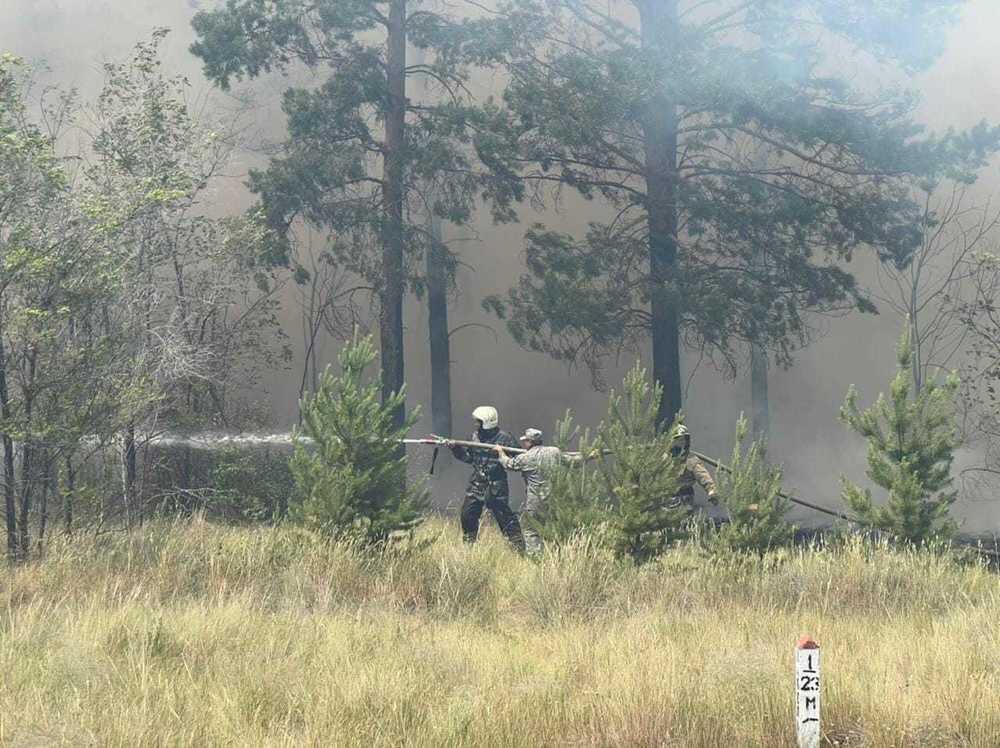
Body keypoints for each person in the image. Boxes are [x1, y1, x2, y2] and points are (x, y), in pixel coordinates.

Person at [445, 406, 525, 552]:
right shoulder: (474, 437)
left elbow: (519, 460)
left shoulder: (505, 438)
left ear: (487, 421)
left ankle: (518, 548)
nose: (475, 424)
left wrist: (502, 454)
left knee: (505, 518)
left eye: (478, 421)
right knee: (467, 515)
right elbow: (468, 458)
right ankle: (469, 547)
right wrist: (455, 448)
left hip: (497, 484)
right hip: (477, 483)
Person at [495, 427, 566, 555]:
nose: (523, 444)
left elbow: (508, 464)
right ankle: (558, 555)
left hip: (536, 501)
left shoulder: (526, 457)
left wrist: (500, 452)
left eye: (525, 441)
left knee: (530, 530)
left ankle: (535, 557)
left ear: (530, 442)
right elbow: (571, 460)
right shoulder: (554, 452)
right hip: (554, 500)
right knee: (555, 528)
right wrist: (589, 456)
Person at [668, 424, 719, 508]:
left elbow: (703, 476)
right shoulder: (662, 458)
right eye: (678, 440)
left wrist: (711, 491)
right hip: (664, 500)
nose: (681, 443)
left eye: (683, 440)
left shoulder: (691, 460)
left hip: (683, 499)